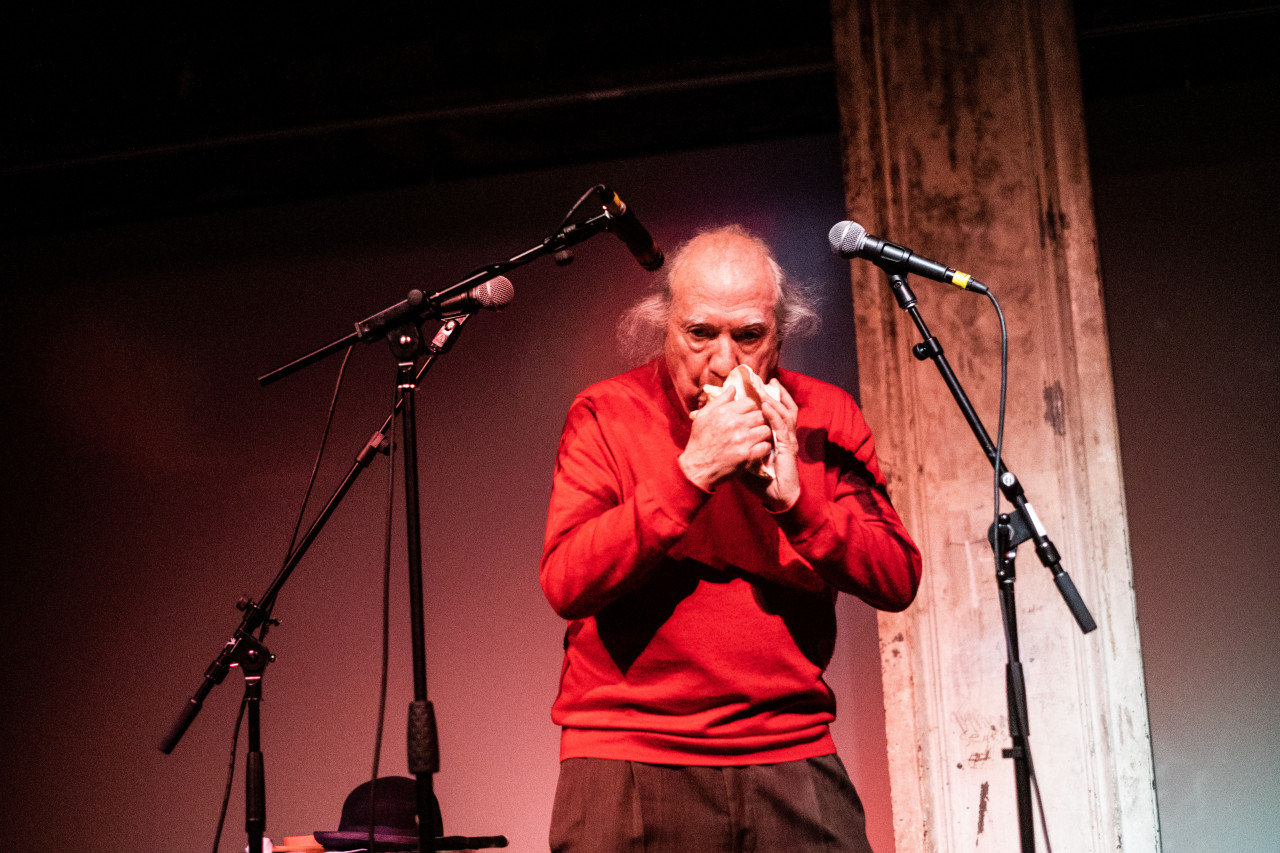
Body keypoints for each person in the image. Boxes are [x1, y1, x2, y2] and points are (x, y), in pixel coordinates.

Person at [539, 224, 922, 852]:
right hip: (631, 750)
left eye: (749, 336)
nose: (723, 361)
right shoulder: (606, 414)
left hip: (790, 747)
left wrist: (798, 504)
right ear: (663, 326)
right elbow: (567, 582)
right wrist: (692, 473)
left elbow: (897, 577)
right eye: (700, 334)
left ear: (780, 332)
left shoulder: (825, 416)